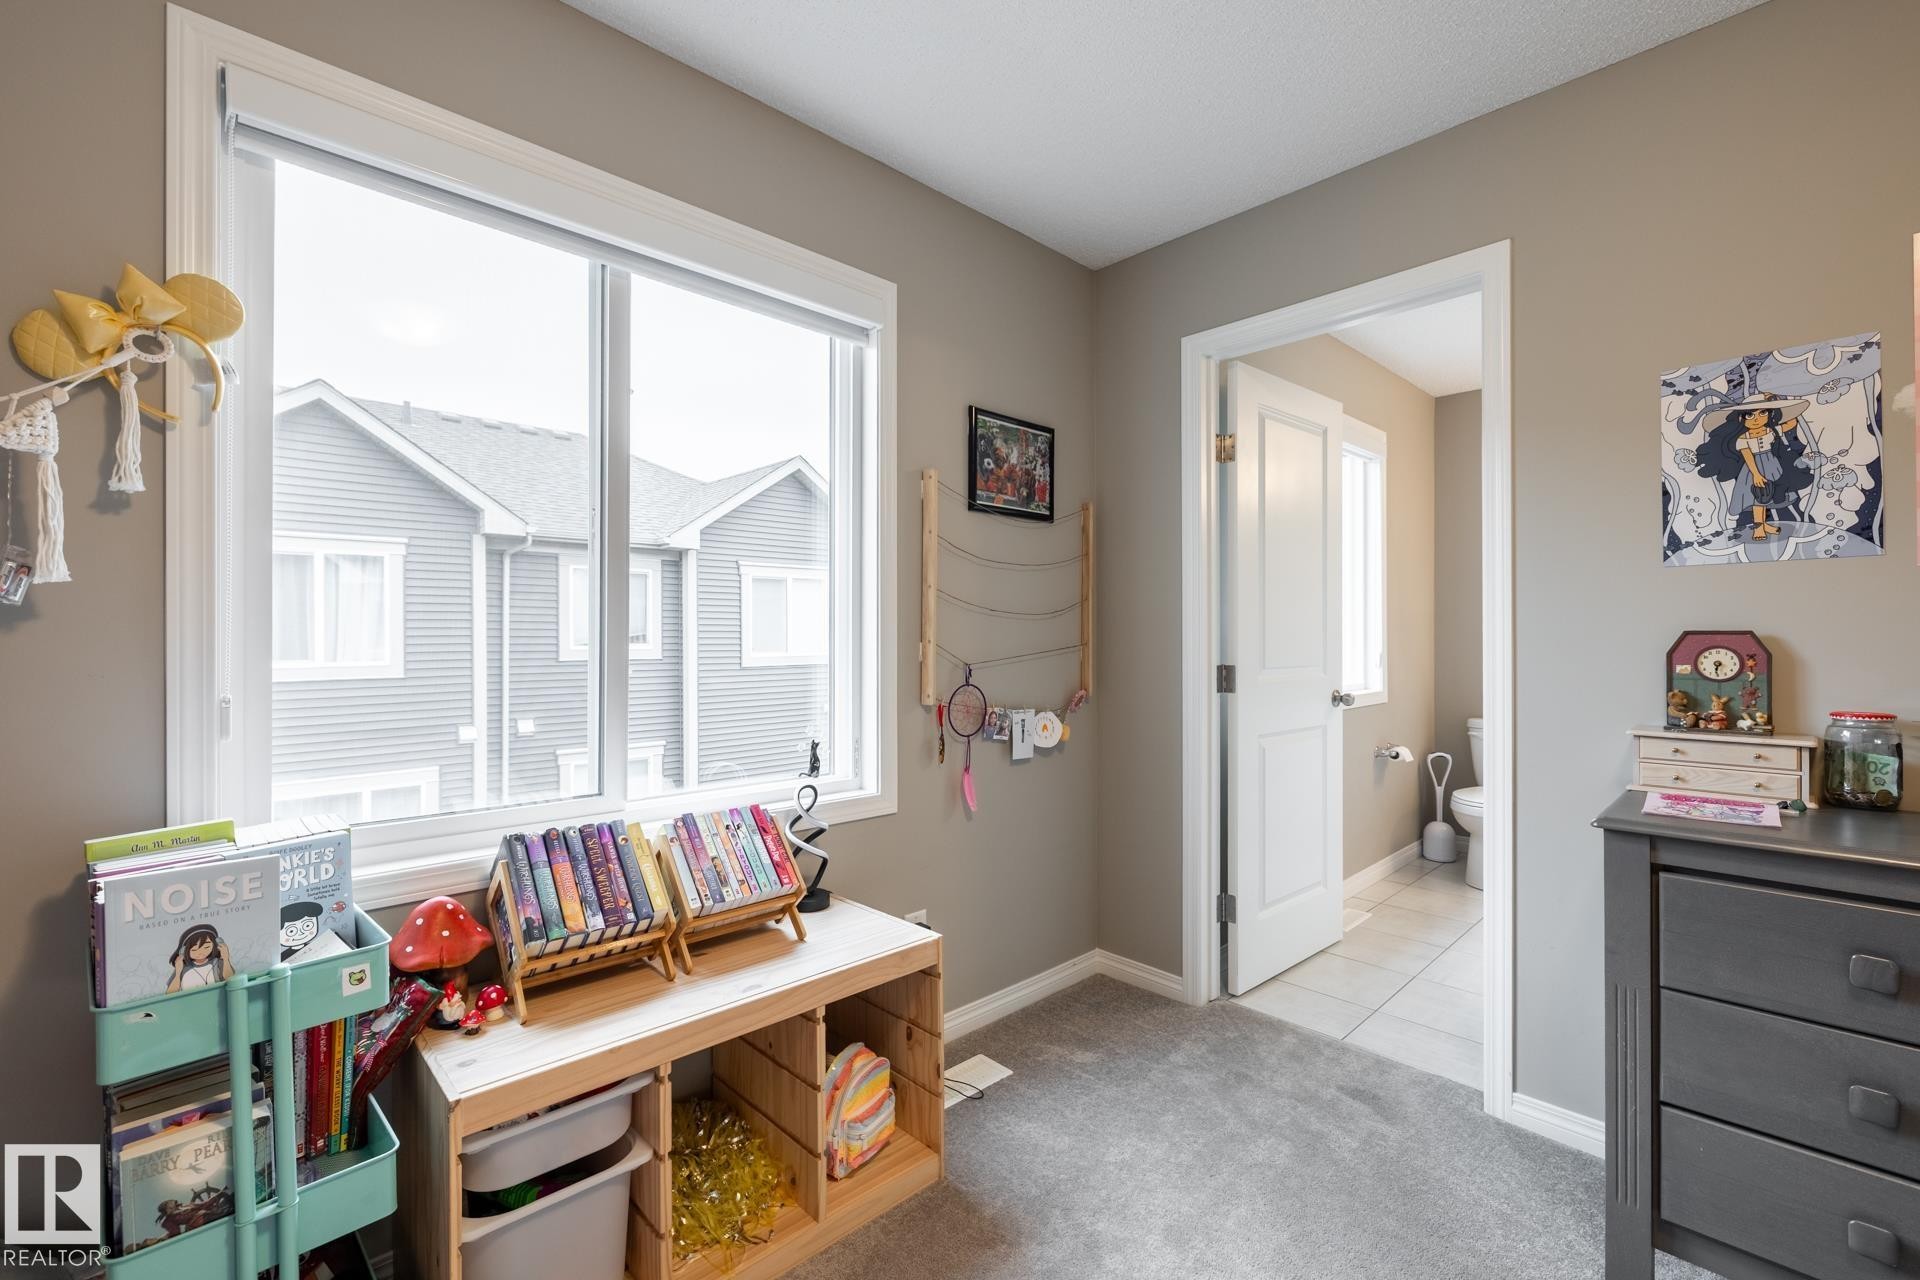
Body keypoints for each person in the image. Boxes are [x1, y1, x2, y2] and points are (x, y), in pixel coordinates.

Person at [1693, 396, 1810, 541]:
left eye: (1763, 413)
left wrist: (1774, 399)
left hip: (1772, 465)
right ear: (1742, 419)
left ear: (1770, 414)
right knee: (1758, 498)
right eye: (1750, 415)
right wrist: (1756, 474)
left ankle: (1765, 525)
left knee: (1769, 496)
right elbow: (1747, 456)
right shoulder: (1743, 437)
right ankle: (1759, 527)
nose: (1756, 418)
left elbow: (1792, 422)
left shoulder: (1771, 431)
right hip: (1753, 468)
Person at [166, 923, 234, 991]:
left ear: (215, 944)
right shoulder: (182, 968)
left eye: (206, 947)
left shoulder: (218, 963)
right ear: (183, 951)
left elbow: (231, 981)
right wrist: (178, 972)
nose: (201, 952)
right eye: (194, 950)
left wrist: (226, 959)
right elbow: (170, 993)